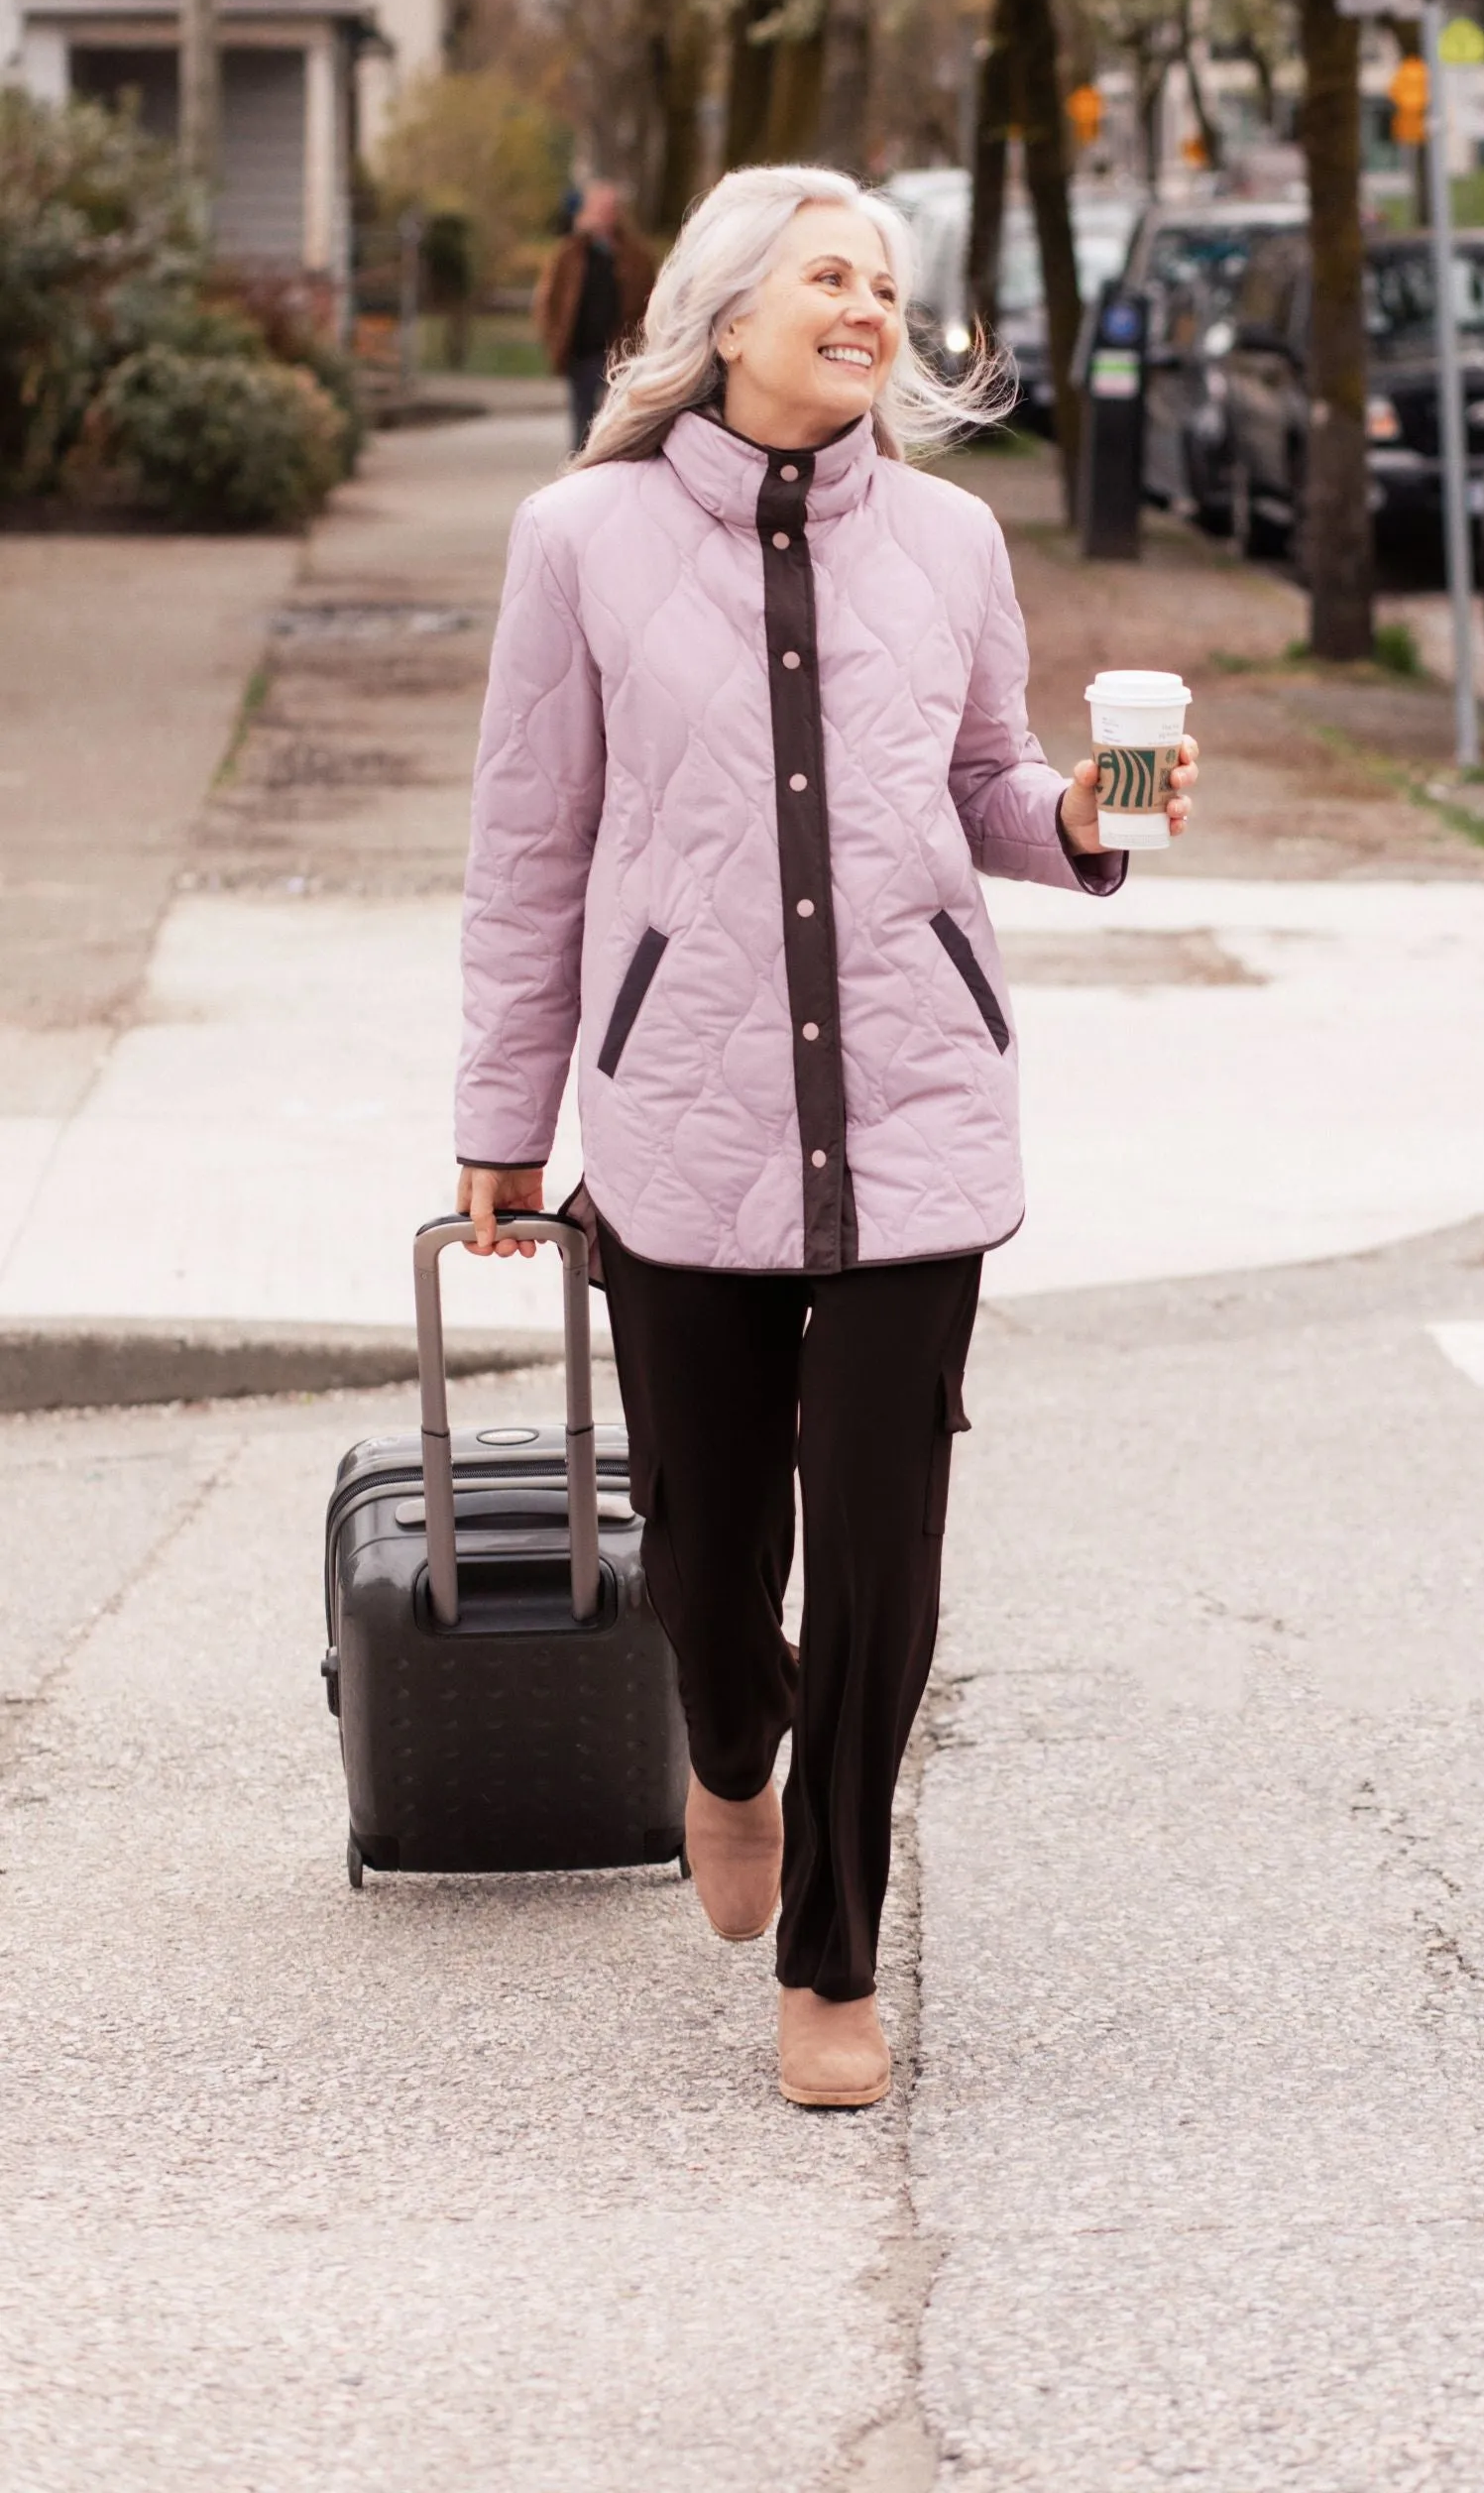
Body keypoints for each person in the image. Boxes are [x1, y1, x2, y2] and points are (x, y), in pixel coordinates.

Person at [453, 163, 1200, 2108]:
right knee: (712, 1557)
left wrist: (1092, 824)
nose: (867, 305)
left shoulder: (948, 544)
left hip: (916, 1114)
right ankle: (725, 1752)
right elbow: (529, 845)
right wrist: (500, 1118)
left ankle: (833, 1962)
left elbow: (985, 780)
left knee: (880, 1553)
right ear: (725, 316)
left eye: (885, 280)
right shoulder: (580, 539)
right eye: (826, 277)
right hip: (680, 1116)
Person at [534, 179, 656, 450]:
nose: (604, 215)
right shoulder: (570, 253)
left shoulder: (635, 255)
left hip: (620, 352)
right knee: (582, 421)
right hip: (582, 351)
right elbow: (548, 301)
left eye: (610, 209)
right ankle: (581, 476)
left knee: (616, 422)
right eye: (599, 209)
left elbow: (651, 301)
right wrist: (554, 339)